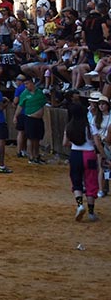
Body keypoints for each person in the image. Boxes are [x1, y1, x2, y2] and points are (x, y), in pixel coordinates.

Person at [65, 92, 100, 222]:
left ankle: (80, 205)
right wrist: (102, 155)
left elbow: (65, 143)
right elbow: (96, 142)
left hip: (75, 154)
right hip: (89, 154)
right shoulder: (90, 125)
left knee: (76, 180)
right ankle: (91, 213)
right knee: (91, 182)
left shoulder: (69, 126)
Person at [15, 76, 47, 164]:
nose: (26, 86)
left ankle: (36, 155)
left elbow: (44, 103)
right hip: (29, 118)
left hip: (38, 119)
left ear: (32, 83)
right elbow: (20, 106)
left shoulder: (39, 92)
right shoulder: (24, 94)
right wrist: (15, 116)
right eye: (24, 84)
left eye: (27, 83)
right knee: (30, 137)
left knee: (37, 138)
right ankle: (31, 156)